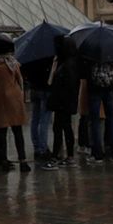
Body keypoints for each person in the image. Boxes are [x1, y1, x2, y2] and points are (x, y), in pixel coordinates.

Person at [0, 52, 29, 172]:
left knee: (0, 132)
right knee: (17, 131)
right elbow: (19, 80)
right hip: (14, 99)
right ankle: (22, 160)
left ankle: (3, 160)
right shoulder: (13, 64)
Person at [47, 36, 79, 167]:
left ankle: (56, 156)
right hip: (66, 102)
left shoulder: (68, 65)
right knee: (65, 128)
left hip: (63, 102)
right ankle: (68, 156)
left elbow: (67, 85)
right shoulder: (70, 62)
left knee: (59, 128)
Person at [86, 57, 113, 163]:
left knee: (95, 121)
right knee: (112, 120)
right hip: (110, 88)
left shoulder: (91, 54)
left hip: (95, 89)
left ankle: (97, 154)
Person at [23, 52, 53, 164]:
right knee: (44, 120)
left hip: (34, 88)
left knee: (35, 118)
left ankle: (36, 146)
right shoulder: (49, 56)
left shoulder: (31, 55)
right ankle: (43, 147)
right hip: (45, 89)